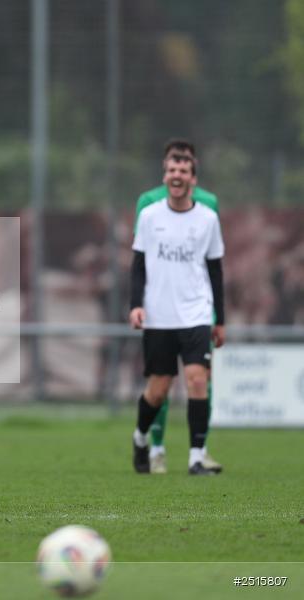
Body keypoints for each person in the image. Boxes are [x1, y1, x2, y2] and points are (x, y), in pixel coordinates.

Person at [129, 153, 225, 476]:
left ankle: (196, 457)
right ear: (164, 175)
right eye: (172, 170)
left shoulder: (208, 218)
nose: (177, 176)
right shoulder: (149, 216)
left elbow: (215, 270)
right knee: (158, 390)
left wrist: (220, 318)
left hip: (196, 313)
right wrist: (136, 305)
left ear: (193, 179)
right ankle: (141, 438)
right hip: (159, 316)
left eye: (183, 171)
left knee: (198, 380)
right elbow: (138, 265)